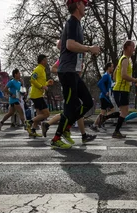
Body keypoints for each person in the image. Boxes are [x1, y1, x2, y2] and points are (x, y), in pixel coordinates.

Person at [51, 0, 101, 149]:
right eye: (84, 4)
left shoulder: (76, 24)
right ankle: (56, 138)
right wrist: (89, 48)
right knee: (70, 107)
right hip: (67, 72)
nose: (86, 7)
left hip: (72, 71)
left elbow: (62, 44)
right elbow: (69, 45)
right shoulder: (72, 22)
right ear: (78, 4)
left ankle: (66, 128)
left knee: (88, 102)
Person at [112, 40, 137, 139]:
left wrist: (118, 81)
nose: (134, 49)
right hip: (121, 90)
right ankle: (115, 131)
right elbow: (123, 75)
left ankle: (114, 128)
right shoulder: (125, 60)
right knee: (124, 112)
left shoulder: (124, 59)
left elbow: (115, 74)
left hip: (122, 89)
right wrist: (135, 80)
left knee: (124, 112)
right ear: (128, 47)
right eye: (133, 47)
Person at [0, 69, 29, 134]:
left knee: (10, 113)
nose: (20, 75)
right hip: (13, 99)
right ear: (15, 74)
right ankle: (25, 125)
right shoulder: (11, 82)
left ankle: (1, 122)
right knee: (21, 111)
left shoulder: (19, 82)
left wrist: (23, 92)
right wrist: (11, 94)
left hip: (17, 99)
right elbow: (5, 89)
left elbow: (20, 91)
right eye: (19, 73)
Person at [90, 62, 119, 132]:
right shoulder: (106, 75)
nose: (113, 68)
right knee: (112, 111)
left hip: (106, 97)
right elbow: (100, 83)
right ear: (108, 68)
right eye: (112, 67)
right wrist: (105, 91)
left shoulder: (108, 76)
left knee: (103, 112)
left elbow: (110, 85)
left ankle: (95, 125)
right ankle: (102, 121)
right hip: (104, 97)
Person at [27, 54, 52, 137]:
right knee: (46, 114)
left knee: (39, 115)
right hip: (37, 95)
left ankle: (33, 130)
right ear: (42, 61)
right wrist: (42, 86)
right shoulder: (38, 69)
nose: (47, 61)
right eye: (46, 60)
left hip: (38, 94)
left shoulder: (42, 69)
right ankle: (29, 122)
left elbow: (41, 83)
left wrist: (47, 83)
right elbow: (32, 79)